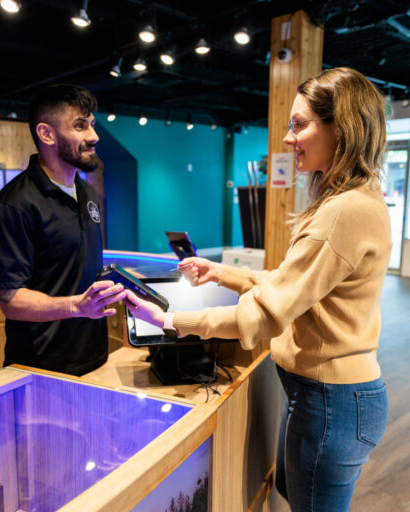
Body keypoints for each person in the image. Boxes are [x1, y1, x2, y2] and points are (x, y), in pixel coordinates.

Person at [124, 67, 390, 511]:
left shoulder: (343, 212)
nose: (288, 139)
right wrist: (220, 272)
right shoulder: (359, 199)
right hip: (328, 399)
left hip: (330, 403)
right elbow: (293, 284)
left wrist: (170, 321)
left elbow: (263, 315)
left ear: (340, 129)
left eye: (299, 125)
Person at [0, 84, 127, 376]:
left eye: (92, 125)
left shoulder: (88, 193)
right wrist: (76, 306)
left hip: (95, 358)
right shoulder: (14, 204)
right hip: (40, 367)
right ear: (46, 134)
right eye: (80, 126)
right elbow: (11, 300)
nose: (94, 136)